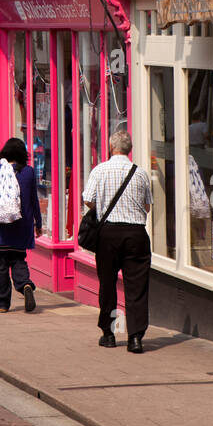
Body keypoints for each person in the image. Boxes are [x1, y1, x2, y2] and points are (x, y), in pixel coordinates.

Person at [82, 130, 153, 353]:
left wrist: (102, 208)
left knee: (108, 285)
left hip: (108, 234)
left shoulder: (99, 170)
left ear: (111, 147)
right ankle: (135, 338)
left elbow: (88, 200)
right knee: (137, 288)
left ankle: (109, 333)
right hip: (136, 234)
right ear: (129, 149)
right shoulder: (140, 174)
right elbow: (148, 206)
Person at [0, 137, 43, 314]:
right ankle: (25, 284)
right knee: (19, 260)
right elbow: (34, 200)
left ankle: (2, 304)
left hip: (3, 226)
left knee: (0, 264)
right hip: (22, 225)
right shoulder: (29, 172)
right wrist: (38, 223)